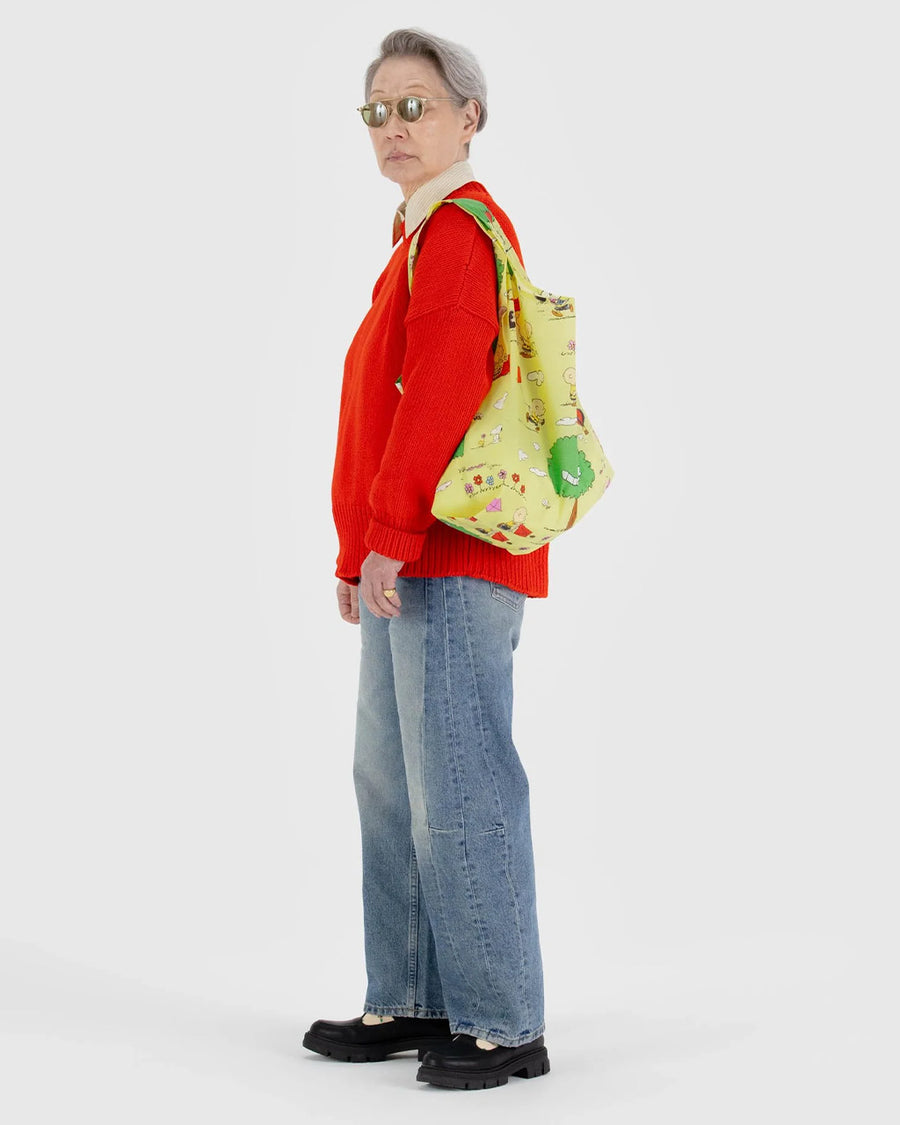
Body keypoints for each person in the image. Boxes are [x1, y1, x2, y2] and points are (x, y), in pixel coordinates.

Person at [302, 28, 551, 1091]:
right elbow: (381, 416)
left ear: (467, 118)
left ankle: (502, 1021)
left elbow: (440, 401)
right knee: (395, 782)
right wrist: (359, 551)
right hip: (404, 556)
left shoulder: (457, 234)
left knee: (457, 780)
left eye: (416, 106)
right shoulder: (413, 241)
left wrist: (389, 542)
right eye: (379, 111)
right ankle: (411, 997)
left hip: (446, 555)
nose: (395, 127)